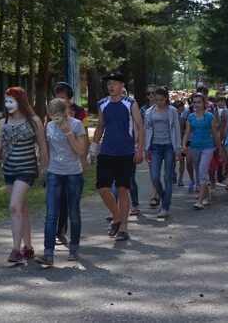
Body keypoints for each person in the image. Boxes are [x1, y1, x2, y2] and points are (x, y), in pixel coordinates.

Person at [0, 87, 46, 264]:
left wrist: (44, 168)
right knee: (21, 208)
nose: (8, 104)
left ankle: (15, 250)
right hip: (9, 170)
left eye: (12, 100)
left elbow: (42, 146)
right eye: (6, 101)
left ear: (21, 102)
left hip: (27, 170)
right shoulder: (3, 123)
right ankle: (27, 248)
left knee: (13, 207)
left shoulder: (33, 122)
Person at [89, 72, 144, 242]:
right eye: (108, 84)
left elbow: (140, 127)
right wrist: (93, 149)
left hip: (126, 152)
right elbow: (100, 126)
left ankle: (123, 228)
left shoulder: (130, 103)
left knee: (122, 189)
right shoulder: (102, 104)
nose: (111, 86)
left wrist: (139, 150)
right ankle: (117, 217)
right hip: (106, 152)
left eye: (114, 83)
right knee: (102, 187)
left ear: (122, 85)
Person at [36, 98, 88, 266]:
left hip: (73, 173)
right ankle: (48, 253)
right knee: (51, 214)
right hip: (54, 173)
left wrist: (68, 134)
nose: (55, 120)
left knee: (73, 212)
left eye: (58, 117)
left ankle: (74, 248)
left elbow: (81, 151)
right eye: (52, 117)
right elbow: (46, 150)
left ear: (65, 113)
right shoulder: (48, 127)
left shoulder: (76, 125)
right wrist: (43, 168)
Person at [51, 81, 89, 247]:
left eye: (63, 99)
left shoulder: (80, 112)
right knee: (59, 201)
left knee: (69, 201)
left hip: (74, 163)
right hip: (57, 165)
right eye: (56, 98)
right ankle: (60, 231)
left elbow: (84, 135)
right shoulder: (53, 113)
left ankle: (65, 232)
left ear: (70, 99)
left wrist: (84, 159)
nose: (59, 102)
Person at [144, 87, 181, 218]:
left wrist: (178, 148)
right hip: (155, 147)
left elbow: (176, 129)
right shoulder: (149, 112)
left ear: (166, 99)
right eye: (156, 100)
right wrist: (145, 148)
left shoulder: (172, 111)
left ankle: (165, 207)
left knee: (167, 177)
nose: (158, 102)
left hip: (169, 146)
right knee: (154, 177)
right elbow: (146, 130)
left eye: (161, 100)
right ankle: (165, 197)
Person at [182, 92, 220, 210]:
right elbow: (187, 132)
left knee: (203, 171)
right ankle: (207, 195)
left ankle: (200, 201)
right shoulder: (191, 117)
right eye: (194, 102)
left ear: (204, 103)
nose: (196, 104)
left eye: (199, 102)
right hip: (195, 147)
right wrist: (183, 144)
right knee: (199, 173)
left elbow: (214, 133)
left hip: (207, 147)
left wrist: (219, 148)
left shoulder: (210, 117)